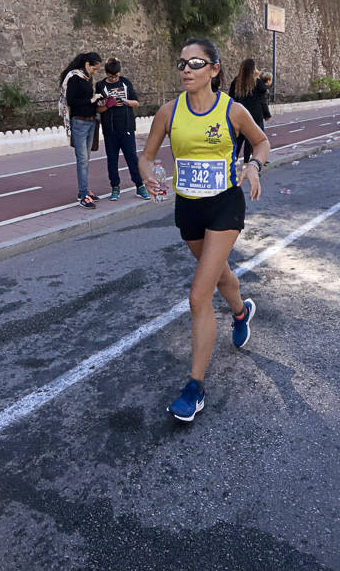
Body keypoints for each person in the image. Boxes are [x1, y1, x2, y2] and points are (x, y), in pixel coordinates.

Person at [139, 38, 268, 422]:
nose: (186, 69)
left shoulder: (233, 110)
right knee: (220, 272)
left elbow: (261, 142)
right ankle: (241, 311)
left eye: (195, 63)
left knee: (199, 294)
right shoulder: (167, 112)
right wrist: (148, 177)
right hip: (189, 209)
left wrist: (254, 167)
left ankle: (194, 388)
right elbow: (146, 157)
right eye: (181, 63)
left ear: (214, 70)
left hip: (225, 205)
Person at [94, 58, 148, 201]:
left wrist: (124, 101)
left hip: (127, 128)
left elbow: (136, 102)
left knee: (132, 158)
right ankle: (115, 187)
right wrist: (108, 105)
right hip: (109, 130)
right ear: (106, 73)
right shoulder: (100, 86)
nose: (114, 79)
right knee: (112, 160)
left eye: (116, 76)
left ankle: (140, 186)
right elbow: (98, 108)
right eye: (111, 76)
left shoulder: (125, 83)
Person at [60, 52, 104, 209]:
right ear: (87, 64)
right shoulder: (74, 78)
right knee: (82, 159)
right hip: (79, 122)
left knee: (87, 159)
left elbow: (88, 101)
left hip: (91, 121)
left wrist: (98, 100)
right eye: (94, 68)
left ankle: (84, 191)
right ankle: (83, 194)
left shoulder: (88, 79)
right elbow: (71, 101)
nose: (95, 72)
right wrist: (90, 100)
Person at [227, 58, 269, 163]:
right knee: (251, 139)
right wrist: (266, 114)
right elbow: (263, 96)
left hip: (239, 114)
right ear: (253, 69)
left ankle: (234, 159)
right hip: (255, 114)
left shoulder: (236, 82)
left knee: (238, 138)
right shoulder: (256, 82)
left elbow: (231, 98)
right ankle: (247, 162)